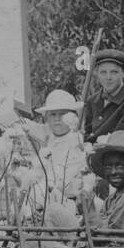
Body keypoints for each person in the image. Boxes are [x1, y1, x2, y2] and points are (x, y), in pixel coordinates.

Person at [26, 89, 88, 225]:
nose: (57, 118)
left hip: (68, 200)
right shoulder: (48, 138)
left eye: (62, 114)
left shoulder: (77, 141)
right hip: (44, 196)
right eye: (53, 114)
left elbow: (68, 178)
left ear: (72, 117)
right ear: (47, 118)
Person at [81, 50, 124, 143]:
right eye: (103, 72)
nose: (108, 77)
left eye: (114, 72)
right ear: (96, 72)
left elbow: (118, 140)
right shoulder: (92, 101)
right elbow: (86, 133)